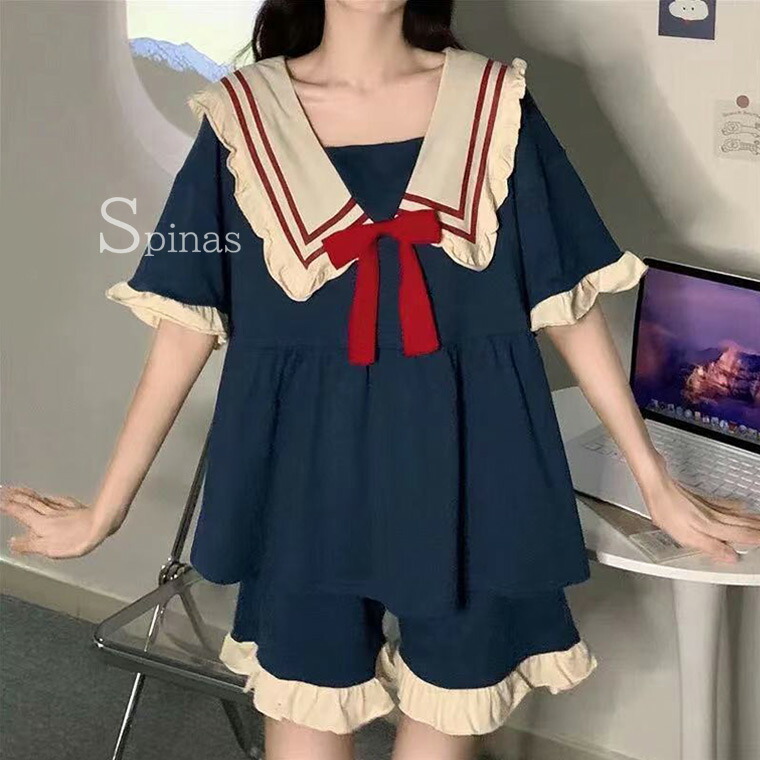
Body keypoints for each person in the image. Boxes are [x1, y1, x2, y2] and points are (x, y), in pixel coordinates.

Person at [3, 2, 760, 759]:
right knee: (308, 712)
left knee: (451, 710)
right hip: (303, 476)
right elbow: (184, 324)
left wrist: (656, 484)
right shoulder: (244, 117)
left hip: (475, 462)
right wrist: (106, 509)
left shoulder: (492, 104)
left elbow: (567, 303)